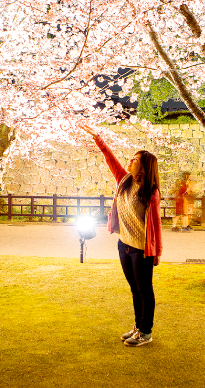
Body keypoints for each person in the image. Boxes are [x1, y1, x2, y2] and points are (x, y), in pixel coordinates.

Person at [79, 124, 162, 347]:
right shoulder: (124, 181)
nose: (130, 161)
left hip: (140, 249)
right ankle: (138, 326)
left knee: (145, 290)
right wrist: (99, 140)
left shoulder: (151, 192)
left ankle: (146, 332)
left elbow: (156, 225)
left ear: (144, 166)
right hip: (123, 245)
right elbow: (110, 160)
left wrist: (156, 252)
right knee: (134, 288)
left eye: (135, 159)